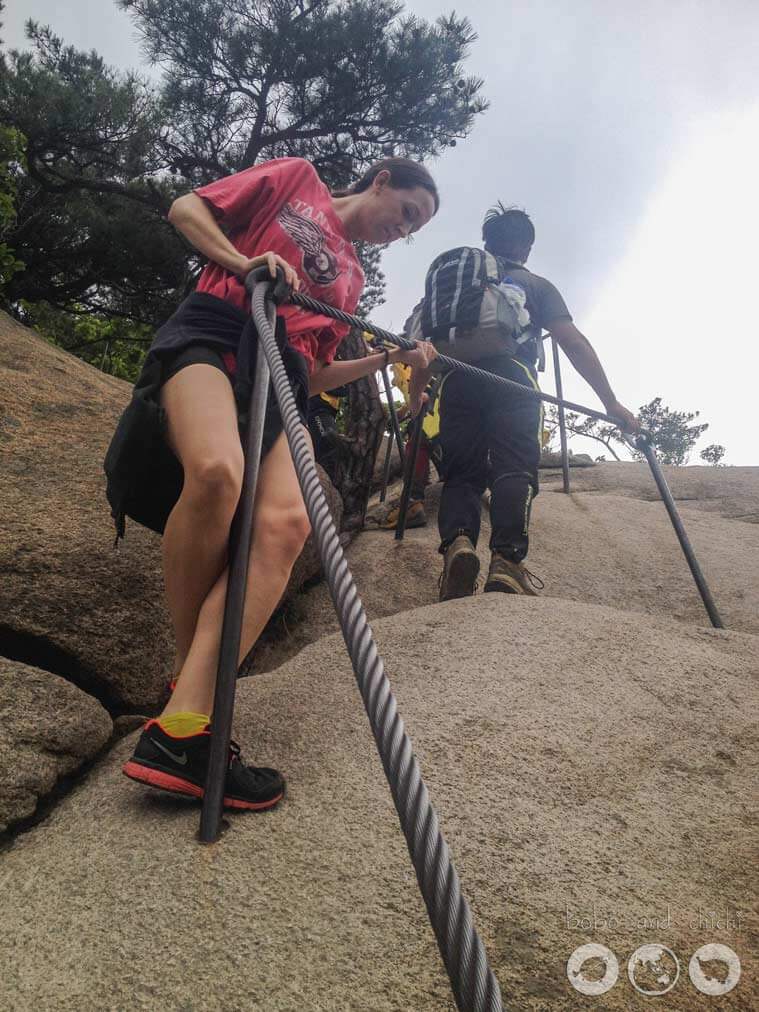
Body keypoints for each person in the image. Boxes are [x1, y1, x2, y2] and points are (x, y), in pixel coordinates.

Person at [108, 156, 438, 811]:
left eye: (414, 229)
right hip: (216, 330)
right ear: (380, 182)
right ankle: (188, 712)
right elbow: (186, 209)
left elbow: (312, 374)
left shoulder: (349, 282)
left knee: (289, 523)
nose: (403, 231)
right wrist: (243, 262)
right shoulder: (298, 180)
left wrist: (383, 359)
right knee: (215, 473)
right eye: (406, 213)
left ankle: (182, 721)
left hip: (281, 377)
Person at [419, 204, 638, 601]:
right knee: (514, 467)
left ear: (486, 243)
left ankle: (458, 545)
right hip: (513, 378)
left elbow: (420, 344)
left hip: (455, 379)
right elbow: (572, 342)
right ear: (527, 246)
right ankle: (506, 563)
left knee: (461, 473)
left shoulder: (458, 285)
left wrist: (416, 396)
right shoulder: (533, 283)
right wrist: (611, 403)